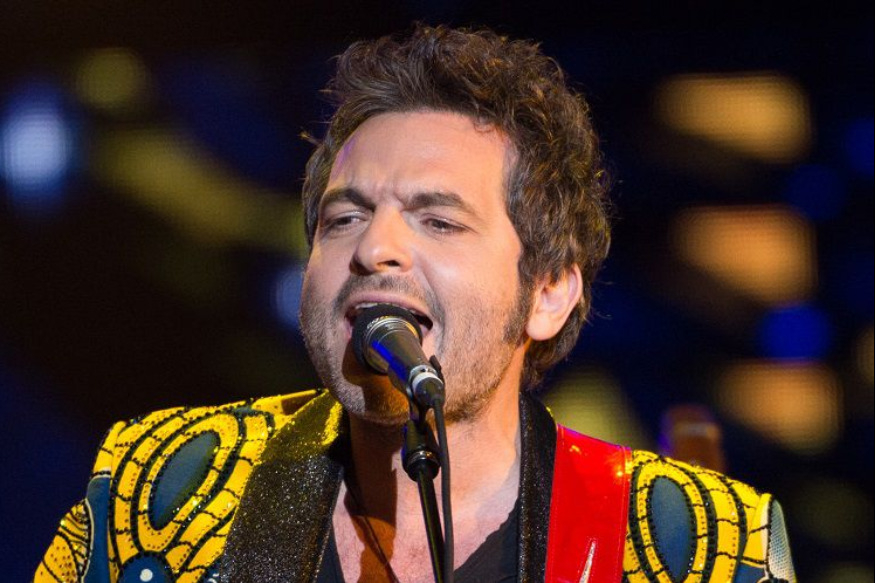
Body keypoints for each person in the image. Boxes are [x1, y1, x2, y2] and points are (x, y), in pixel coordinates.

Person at [35, 25, 796, 583]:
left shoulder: (701, 544)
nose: (375, 249)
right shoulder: (163, 485)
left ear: (548, 293)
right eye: (344, 218)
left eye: (438, 221)